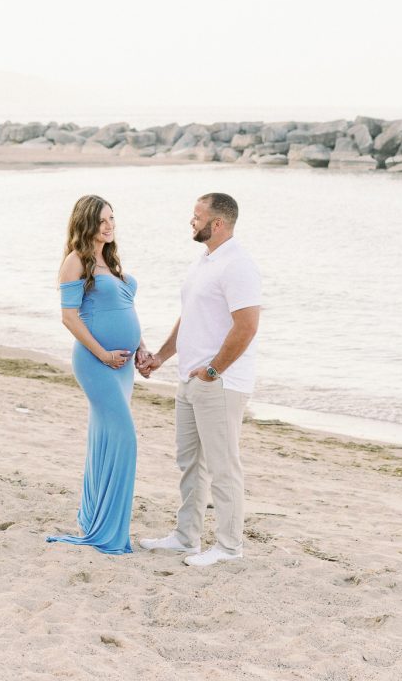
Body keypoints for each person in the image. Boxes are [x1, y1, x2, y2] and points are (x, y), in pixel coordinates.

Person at [137, 192, 261, 568]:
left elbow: (247, 325)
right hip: (190, 379)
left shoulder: (238, 265)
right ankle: (185, 537)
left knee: (223, 465)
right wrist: (160, 356)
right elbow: (189, 317)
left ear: (218, 224)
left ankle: (228, 546)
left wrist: (213, 370)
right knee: (190, 462)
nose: (191, 221)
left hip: (219, 383)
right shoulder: (204, 261)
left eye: (197, 216)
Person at [46, 194, 144, 555]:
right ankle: (106, 530)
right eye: (103, 220)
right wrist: (102, 353)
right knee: (125, 439)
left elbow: (123, 308)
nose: (109, 225)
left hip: (123, 366)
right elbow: (69, 317)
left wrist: (142, 346)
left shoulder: (111, 262)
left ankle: (94, 518)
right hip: (96, 363)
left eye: (113, 219)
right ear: (87, 221)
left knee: (104, 438)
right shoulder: (75, 261)